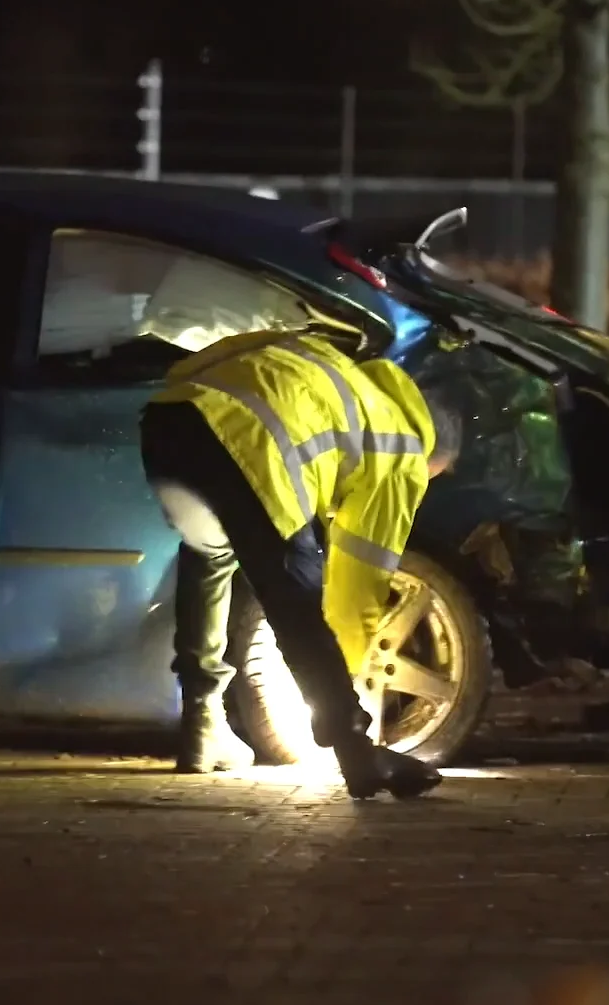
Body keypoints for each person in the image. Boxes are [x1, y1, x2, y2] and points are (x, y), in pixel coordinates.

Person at [141, 327, 463, 800]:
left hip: (170, 422)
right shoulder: (401, 449)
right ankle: (357, 755)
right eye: (434, 477)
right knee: (295, 597)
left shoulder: (346, 379)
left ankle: (202, 725)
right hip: (251, 447)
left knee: (209, 558)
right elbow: (356, 587)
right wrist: (345, 680)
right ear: (433, 453)